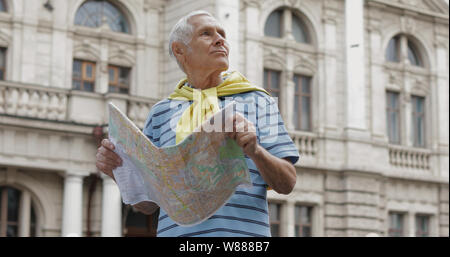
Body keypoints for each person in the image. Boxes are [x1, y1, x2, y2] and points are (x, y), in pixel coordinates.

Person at [96, 10, 300, 237]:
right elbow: (148, 205)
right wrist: (116, 170)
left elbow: (288, 183)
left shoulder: (260, 101)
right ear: (179, 50)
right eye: (206, 34)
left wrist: (256, 151)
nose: (220, 40)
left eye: (222, 34)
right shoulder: (160, 113)